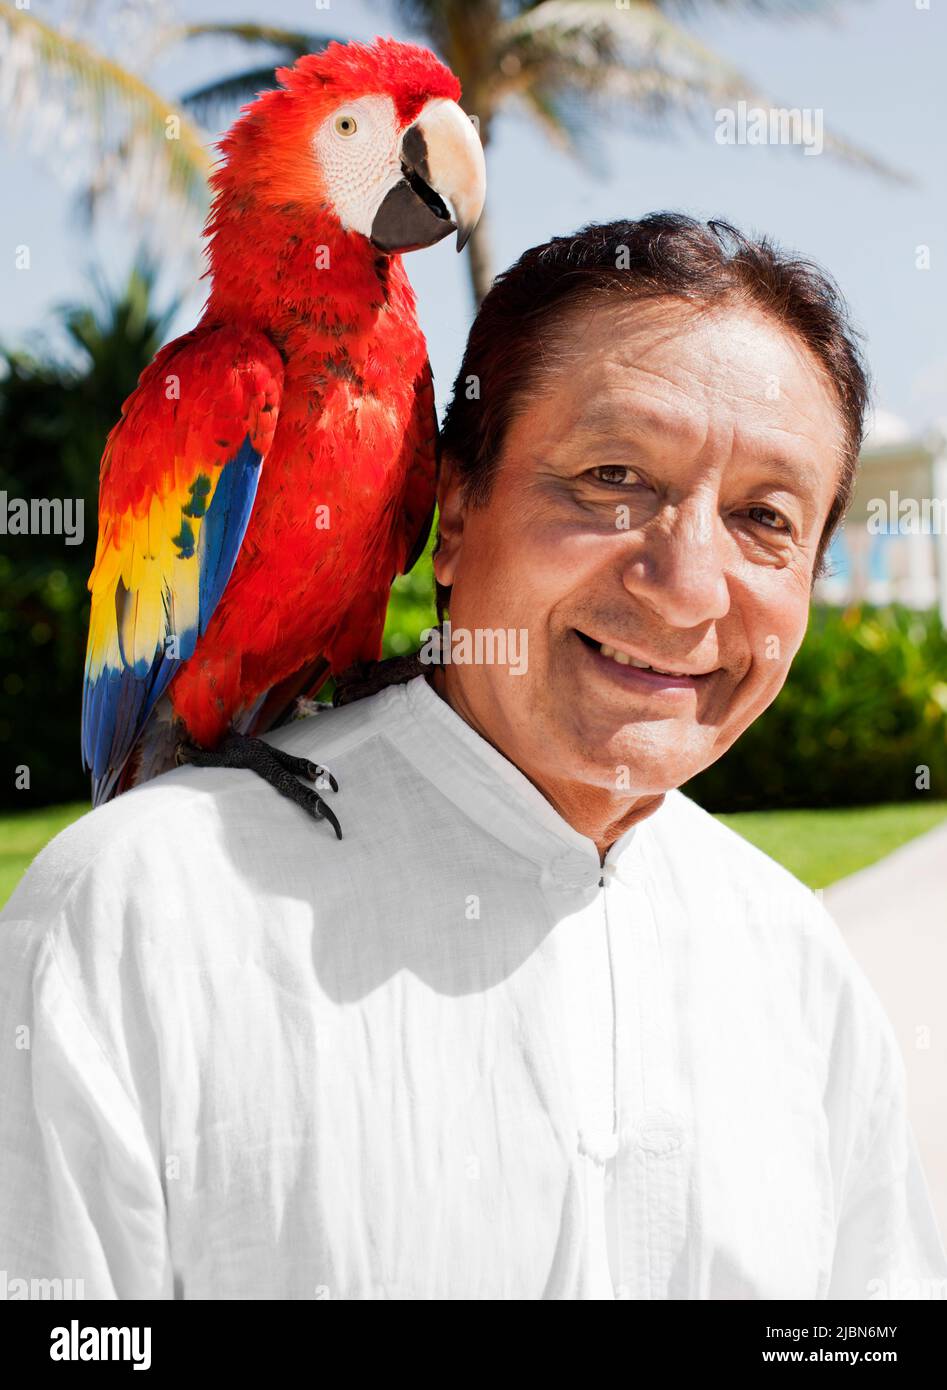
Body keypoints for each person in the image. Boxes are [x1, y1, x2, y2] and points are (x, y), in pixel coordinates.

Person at [1, 214, 944, 1301]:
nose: (684, 584)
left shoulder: (799, 968)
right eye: (609, 476)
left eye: (763, 518)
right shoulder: (127, 918)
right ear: (449, 509)